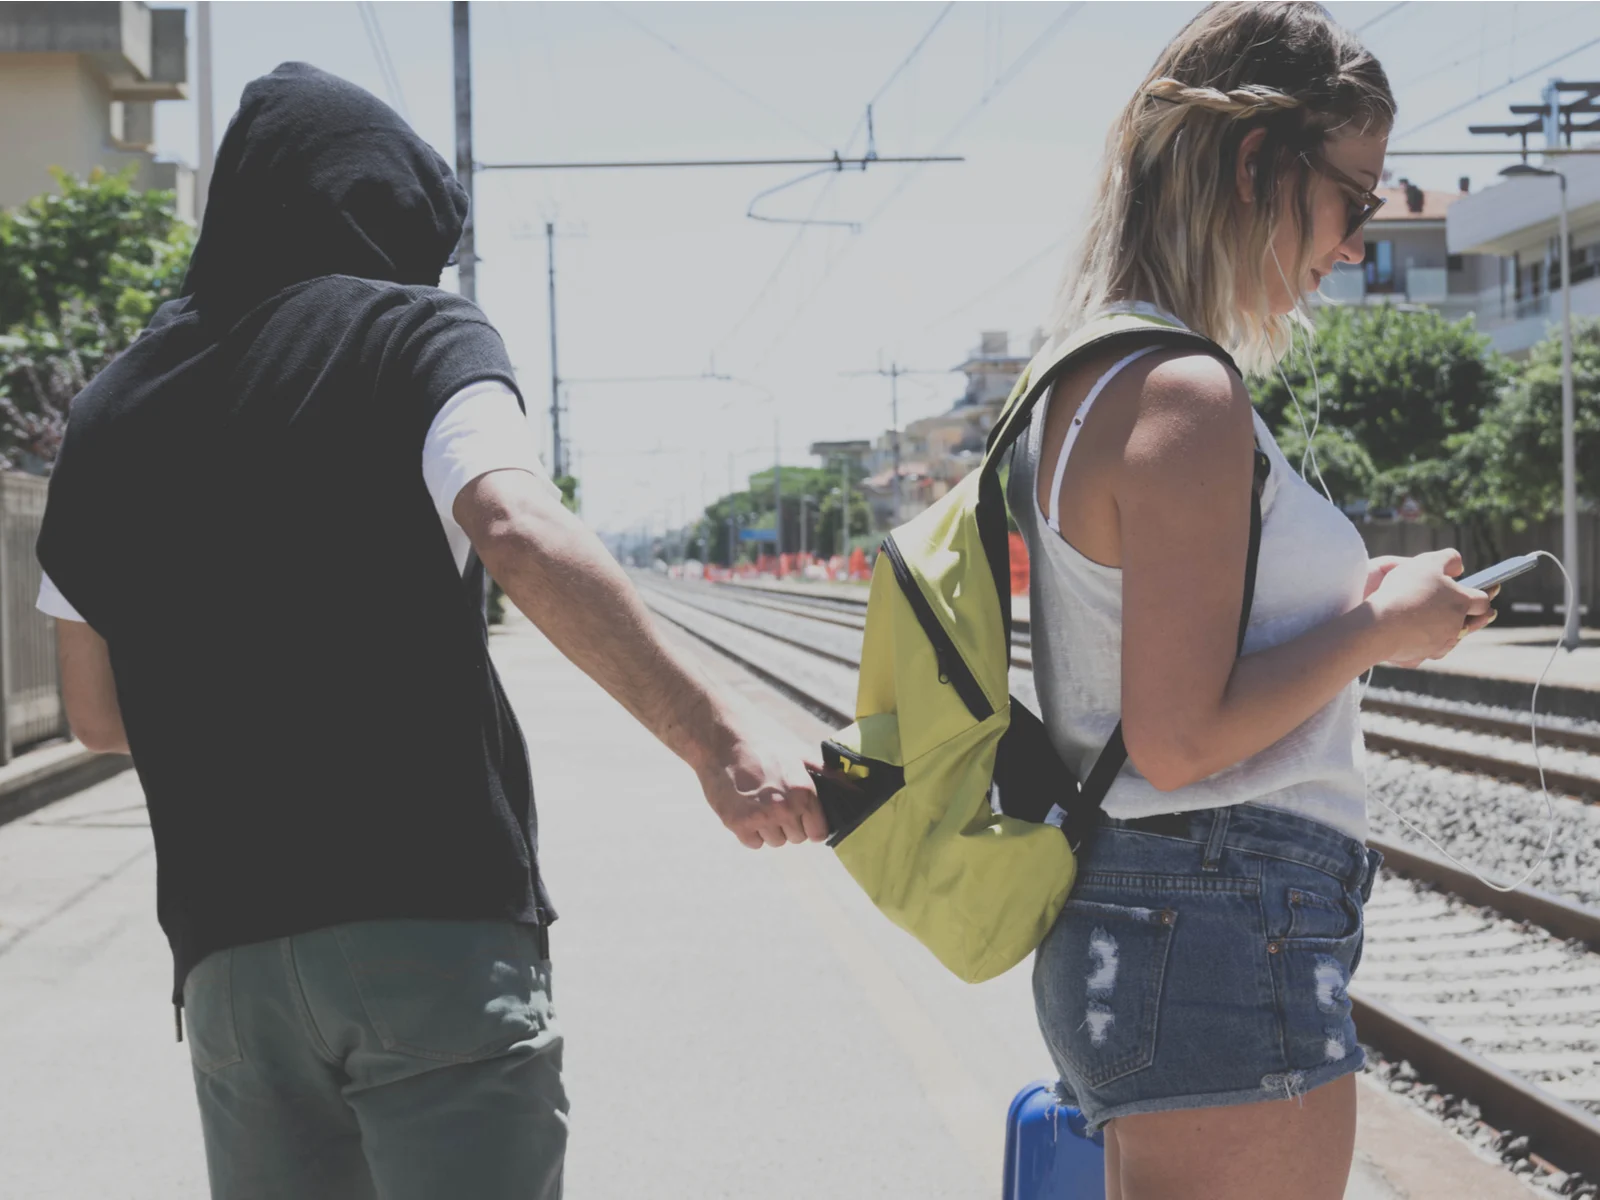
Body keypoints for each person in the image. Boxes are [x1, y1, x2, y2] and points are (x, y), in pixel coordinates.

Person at [35, 63, 823, 1200]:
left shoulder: (109, 410)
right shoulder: (417, 333)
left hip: (229, 967)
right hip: (432, 931)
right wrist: (719, 737)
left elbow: (99, 718)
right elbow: (511, 520)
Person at [1007, 7, 1494, 1199]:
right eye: (1354, 199)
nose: (1355, 244)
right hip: (1220, 918)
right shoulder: (1184, 394)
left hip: (1156, 918)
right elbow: (1179, 740)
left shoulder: (1087, 371)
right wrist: (1380, 628)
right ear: (1251, 163)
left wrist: (1348, 618)